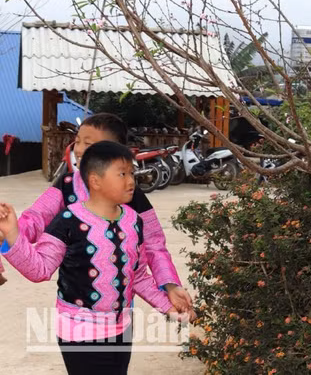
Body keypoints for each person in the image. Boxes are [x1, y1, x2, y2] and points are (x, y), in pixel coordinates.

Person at [0, 141, 195, 374]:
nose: (131, 181)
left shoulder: (133, 221)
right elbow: (39, 269)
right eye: (122, 174)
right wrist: (12, 233)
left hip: (121, 328)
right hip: (79, 331)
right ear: (95, 181)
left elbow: (137, 275)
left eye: (131, 173)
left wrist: (169, 306)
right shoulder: (68, 221)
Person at [0, 113, 192, 314]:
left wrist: (170, 285)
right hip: (74, 310)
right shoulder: (67, 185)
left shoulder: (132, 196)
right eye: (78, 141)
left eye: (89, 143)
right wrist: (9, 233)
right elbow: (36, 218)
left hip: (120, 307)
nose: (79, 149)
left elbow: (154, 245)